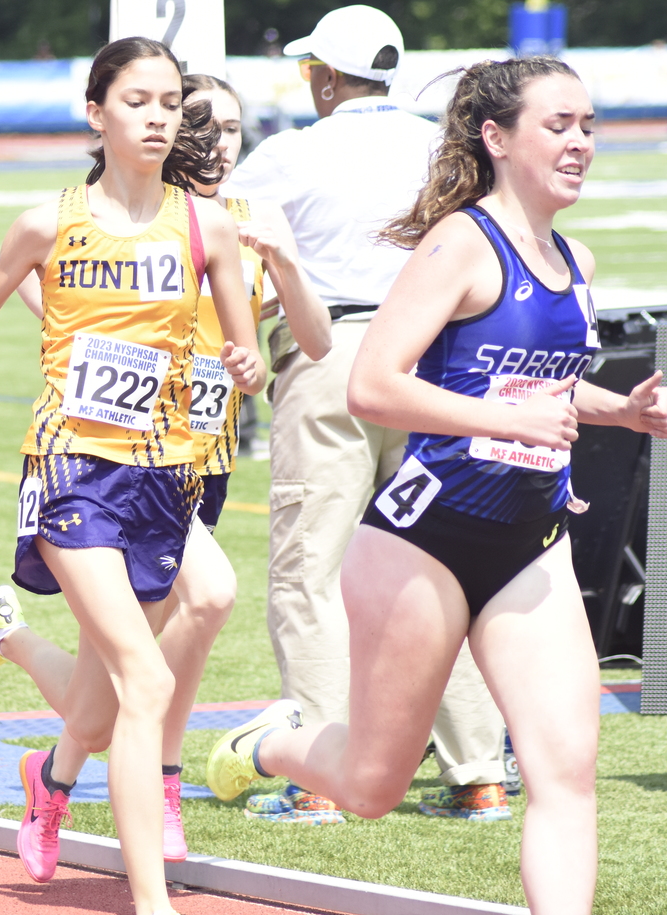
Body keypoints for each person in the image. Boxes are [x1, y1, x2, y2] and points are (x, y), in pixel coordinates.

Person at [207, 56, 667, 915]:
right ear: (498, 139)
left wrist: (614, 410)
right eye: (558, 125)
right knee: (374, 787)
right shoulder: (461, 245)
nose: (580, 141)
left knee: (564, 769)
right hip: (422, 544)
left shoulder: (574, 262)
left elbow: (531, 383)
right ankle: (269, 743)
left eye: (588, 124)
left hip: (529, 544)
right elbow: (373, 383)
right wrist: (513, 422)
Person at [0, 37, 263, 915]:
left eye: (171, 101)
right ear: (98, 115)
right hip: (72, 471)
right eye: (137, 100)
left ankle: (47, 777)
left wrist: (248, 362)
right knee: (143, 682)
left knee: (98, 701)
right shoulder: (47, 223)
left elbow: (244, 348)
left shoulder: (209, 229)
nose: (159, 116)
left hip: (165, 480)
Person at [0, 73, 330, 871]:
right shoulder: (130, 219)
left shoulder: (246, 221)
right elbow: (52, 296)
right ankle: (163, 786)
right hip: (107, 463)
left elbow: (314, 343)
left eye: (235, 127)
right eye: (201, 122)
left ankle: (48, 760)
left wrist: (284, 267)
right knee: (206, 601)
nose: (217, 141)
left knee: (111, 686)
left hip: (199, 461)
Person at [223, 4, 511, 824]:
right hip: (439, 365)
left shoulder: (290, 152)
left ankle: (317, 774)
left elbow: (219, 240)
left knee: (309, 570)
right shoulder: (441, 147)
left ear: (321, 75)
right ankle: (479, 769)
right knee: (438, 569)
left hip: (335, 355)